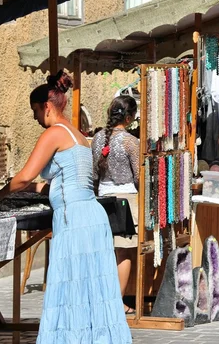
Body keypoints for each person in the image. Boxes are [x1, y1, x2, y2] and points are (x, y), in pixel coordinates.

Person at [0, 72, 131, 343]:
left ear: (47, 106)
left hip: (75, 221)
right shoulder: (77, 135)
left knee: (72, 288)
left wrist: (0, 194)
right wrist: (33, 189)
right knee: (91, 290)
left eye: (35, 111)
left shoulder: (54, 133)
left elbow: (23, 177)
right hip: (91, 216)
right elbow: (58, 183)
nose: (35, 118)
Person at [92, 95, 139, 314]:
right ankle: (116, 302)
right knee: (124, 253)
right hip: (125, 199)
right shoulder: (130, 141)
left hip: (102, 197)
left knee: (105, 252)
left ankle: (103, 298)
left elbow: (94, 173)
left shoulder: (97, 139)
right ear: (129, 118)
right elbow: (138, 176)